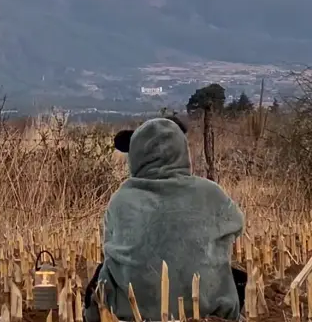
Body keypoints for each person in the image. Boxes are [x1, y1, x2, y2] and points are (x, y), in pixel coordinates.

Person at [84, 117, 245, 321]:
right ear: (183, 153)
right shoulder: (211, 194)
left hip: (133, 313)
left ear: (136, 157)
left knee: (103, 274)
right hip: (205, 312)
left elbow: (109, 244)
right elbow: (238, 226)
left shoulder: (122, 199)